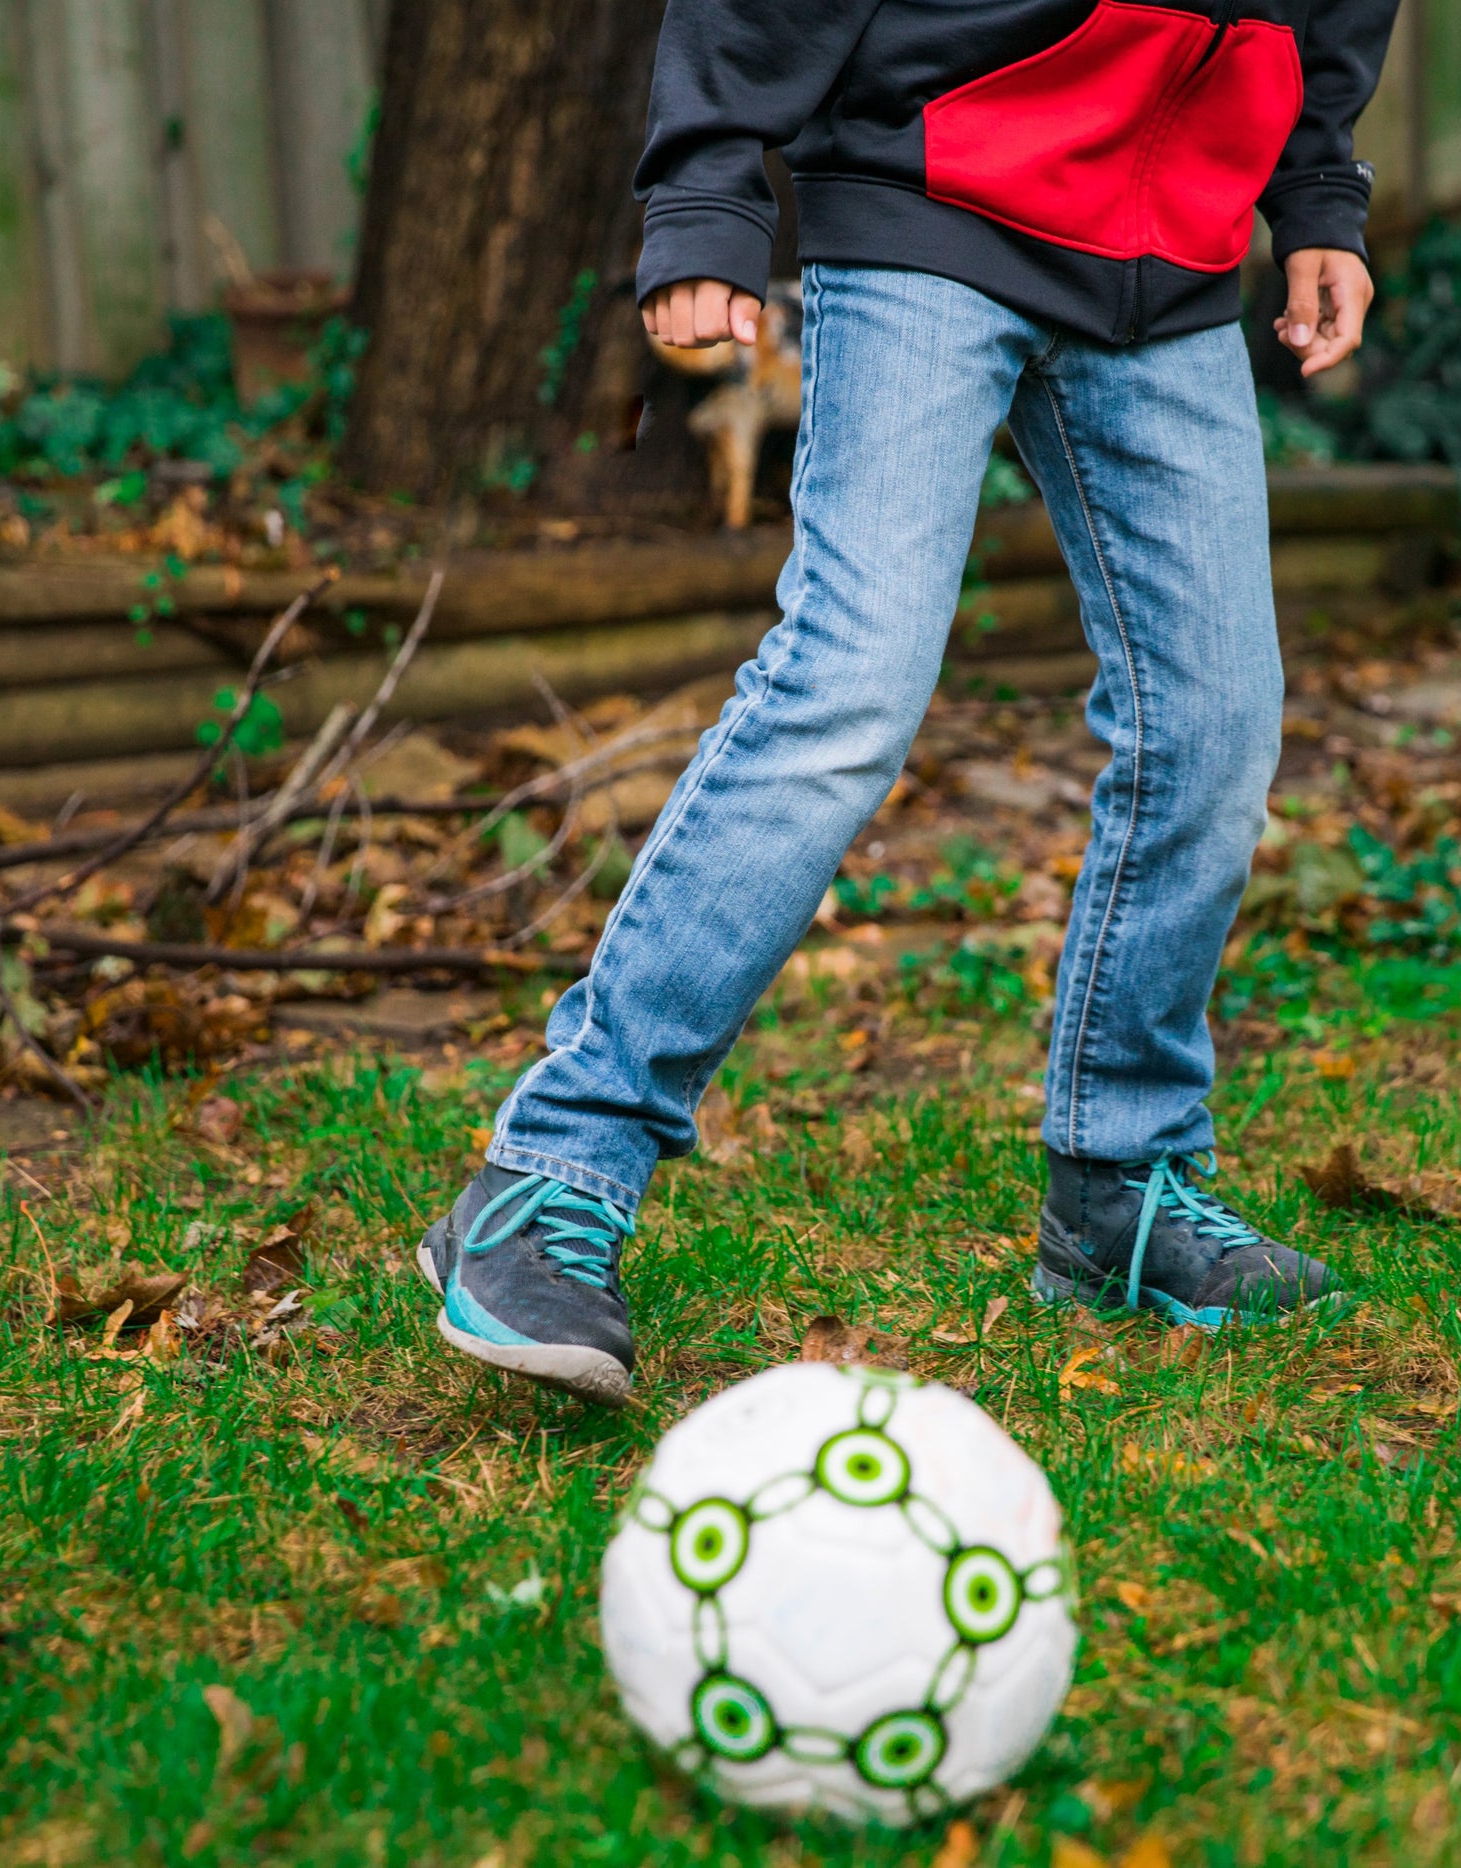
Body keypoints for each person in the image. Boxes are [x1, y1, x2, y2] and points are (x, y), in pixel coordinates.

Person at [419, 0, 1400, 1403]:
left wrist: (1315, 189)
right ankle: (554, 1169)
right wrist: (705, 190)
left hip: (1171, 252)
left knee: (1217, 723)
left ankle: (1121, 1187)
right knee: (848, 688)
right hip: (934, 190)